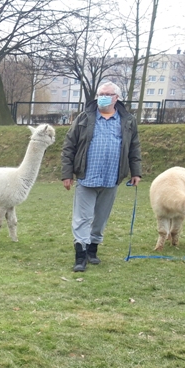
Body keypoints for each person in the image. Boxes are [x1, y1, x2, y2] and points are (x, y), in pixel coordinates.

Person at [61, 81, 142, 272]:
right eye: (101, 94)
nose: (103, 97)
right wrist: (67, 173)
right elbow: (69, 146)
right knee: (82, 218)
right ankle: (80, 255)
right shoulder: (84, 118)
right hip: (86, 177)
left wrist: (136, 171)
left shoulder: (128, 121)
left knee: (101, 217)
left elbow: (134, 147)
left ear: (117, 98)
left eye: (107, 94)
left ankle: (92, 249)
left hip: (111, 178)